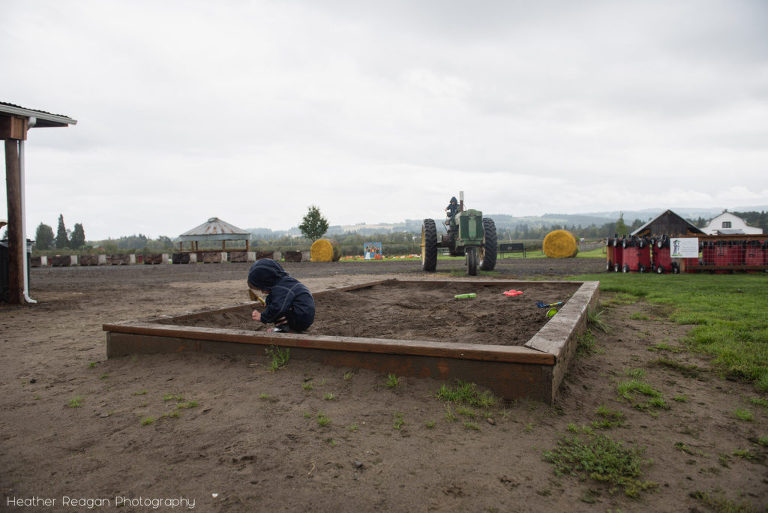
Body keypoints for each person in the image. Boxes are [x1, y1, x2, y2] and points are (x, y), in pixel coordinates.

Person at [248, 259, 315, 333]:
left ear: (267, 281)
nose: (262, 292)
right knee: (272, 303)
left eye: (262, 288)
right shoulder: (283, 283)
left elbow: (278, 307)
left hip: (300, 318)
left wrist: (263, 317)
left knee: (277, 310)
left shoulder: (282, 288)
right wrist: (268, 304)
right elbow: (277, 299)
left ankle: (285, 329)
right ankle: (286, 328)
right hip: (301, 314)